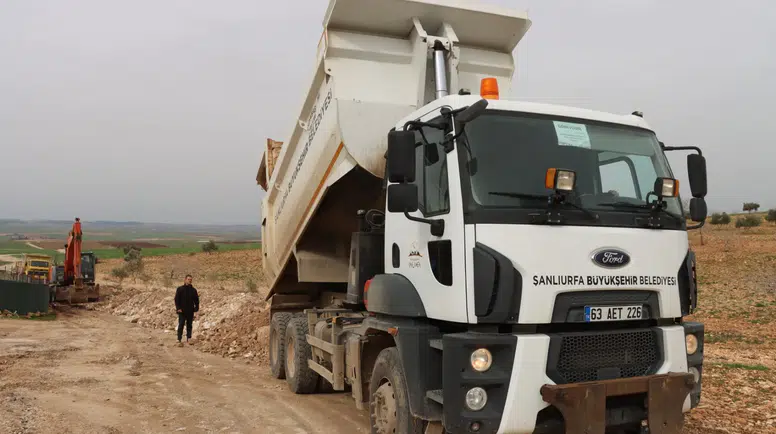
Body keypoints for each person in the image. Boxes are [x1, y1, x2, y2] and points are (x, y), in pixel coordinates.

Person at [174, 274, 199, 346]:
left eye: (191, 280)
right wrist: (178, 308)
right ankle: (179, 339)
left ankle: (189, 338)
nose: (190, 281)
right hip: (182, 311)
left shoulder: (193, 290)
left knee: (189, 325)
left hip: (190, 311)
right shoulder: (180, 289)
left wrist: (196, 308)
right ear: (185, 280)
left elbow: (196, 300)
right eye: (188, 279)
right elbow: (176, 299)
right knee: (181, 324)